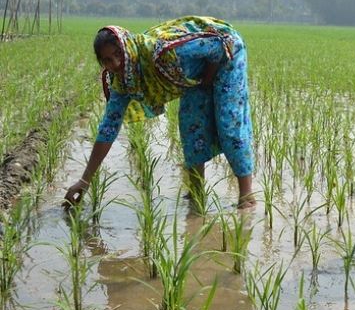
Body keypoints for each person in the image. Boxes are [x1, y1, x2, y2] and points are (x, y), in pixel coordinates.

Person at [63, 16, 255, 208]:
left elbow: (221, 45)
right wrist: (85, 181)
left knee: (229, 123)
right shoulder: (122, 83)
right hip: (195, 72)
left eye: (117, 54)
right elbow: (108, 129)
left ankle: (246, 196)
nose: (116, 63)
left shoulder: (162, 52)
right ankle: (196, 193)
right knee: (192, 125)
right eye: (107, 60)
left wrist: (208, 78)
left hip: (227, 52)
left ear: (126, 46)